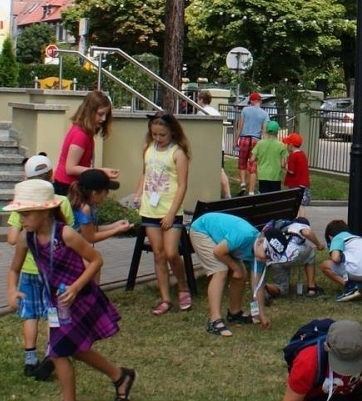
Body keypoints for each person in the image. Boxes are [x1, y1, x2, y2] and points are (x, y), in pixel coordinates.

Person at [5, 179, 134, 401]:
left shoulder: (66, 234)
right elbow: (13, 270)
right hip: (57, 302)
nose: (21, 220)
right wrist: (12, 291)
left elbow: (96, 260)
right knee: (74, 349)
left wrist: (76, 287)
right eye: (19, 214)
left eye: (26, 213)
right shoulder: (26, 237)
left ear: (44, 211)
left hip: (79, 296)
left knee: (57, 351)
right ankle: (120, 376)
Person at [9, 154, 71, 381]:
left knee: (31, 316)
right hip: (53, 277)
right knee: (51, 316)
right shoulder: (60, 202)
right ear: (52, 176)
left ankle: (30, 359)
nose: (23, 218)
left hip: (28, 273)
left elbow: (11, 238)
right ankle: (50, 355)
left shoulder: (24, 206)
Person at [134, 111, 193, 314]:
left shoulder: (178, 153)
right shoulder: (148, 149)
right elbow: (145, 173)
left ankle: (183, 287)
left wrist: (171, 213)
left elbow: (183, 185)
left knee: (171, 253)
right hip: (150, 209)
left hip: (170, 209)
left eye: (162, 135)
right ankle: (165, 298)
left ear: (172, 133)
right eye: (154, 134)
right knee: (158, 254)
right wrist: (138, 193)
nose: (158, 139)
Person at [187, 210, 267, 336]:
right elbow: (218, 252)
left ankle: (234, 313)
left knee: (241, 274)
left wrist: (261, 314)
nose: (266, 258)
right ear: (260, 242)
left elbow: (257, 286)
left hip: (223, 240)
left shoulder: (261, 255)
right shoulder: (245, 235)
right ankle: (214, 321)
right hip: (202, 230)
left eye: (271, 257)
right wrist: (235, 267)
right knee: (220, 271)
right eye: (267, 253)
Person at [55, 90, 119, 198]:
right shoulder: (81, 135)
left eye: (106, 115)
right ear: (89, 111)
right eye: (100, 114)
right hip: (67, 187)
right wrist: (101, 171)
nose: (103, 119)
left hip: (69, 186)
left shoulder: (84, 132)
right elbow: (70, 168)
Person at [259, 217, 327, 298]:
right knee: (310, 251)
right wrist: (318, 244)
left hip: (274, 260)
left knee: (282, 289)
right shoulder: (299, 225)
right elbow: (307, 233)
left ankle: (264, 287)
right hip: (290, 254)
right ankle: (311, 288)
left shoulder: (284, 227)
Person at [323, 220, 362, 302]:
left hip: (359, 271)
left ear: (330, 236)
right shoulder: (360, 238)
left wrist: (341, 257)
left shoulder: (337, 238)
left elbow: (335, 258)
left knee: (325, 265)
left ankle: (349, 287)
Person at [70, 168, 134, 244]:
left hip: (75, 245)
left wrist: (114, 226)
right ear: (94, 193)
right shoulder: (85, 208)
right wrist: (117, 230)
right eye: (106, 190)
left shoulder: (85, 204)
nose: (108, 193)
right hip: (69, 248)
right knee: (96, 256)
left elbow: (91, 229)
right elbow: (91, 238)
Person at [236, 92, 269, 194]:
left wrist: (235, 140)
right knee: (253, 166)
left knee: (242, 162)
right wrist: (265, 144)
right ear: (258, 101)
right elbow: (264, 131)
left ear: (251, 101)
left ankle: (242, 184)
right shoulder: (265, 114)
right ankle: (251, 191)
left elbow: (240, 127)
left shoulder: (245, 110)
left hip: (244, 138)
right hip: (256, 140)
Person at [253, 121, 288, 194]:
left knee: (264, 197)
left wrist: (259, 158)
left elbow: (252, 159)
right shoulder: (281, 145)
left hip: (263, 175)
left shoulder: (260, 143)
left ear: (267, 131)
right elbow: (283, 163)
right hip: (275, 176)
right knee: (274, 198)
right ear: (277, 132)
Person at [283, 131, 312, 205]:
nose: (287, 145)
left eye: (288, 144)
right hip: (304, 184)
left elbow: (291, 171)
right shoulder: (302, 154)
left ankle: (297, 217)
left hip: (296, 185)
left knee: (296, 205)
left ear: (291, 145)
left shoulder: (293, 156)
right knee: (302, 206)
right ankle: (302, 217)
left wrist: (286, 166)